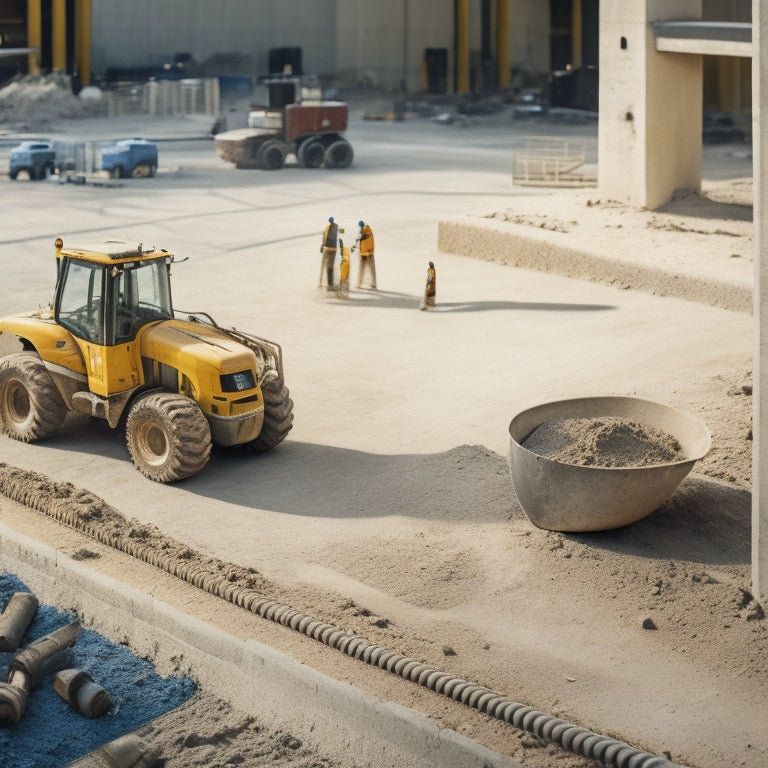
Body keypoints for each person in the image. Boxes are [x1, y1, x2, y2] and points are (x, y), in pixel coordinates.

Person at [319, 217, 343, 290]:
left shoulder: (331, 227)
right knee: (329, 267)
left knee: (329, 267)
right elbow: (325, 237)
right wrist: (323, 245)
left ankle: (330, 284)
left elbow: (326, 237)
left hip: (330, 249)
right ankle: (328, 283)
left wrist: (323, 245)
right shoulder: (331, 227)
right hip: (329, 249)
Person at [355, 220, 376, 290]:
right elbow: (360, 239)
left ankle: (373, 284)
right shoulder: (362, 230)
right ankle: (359, 283)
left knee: (371, 269)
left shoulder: (367, 229)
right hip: (363, 253)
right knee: (361, 269)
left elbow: (366, 237)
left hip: (369, 253)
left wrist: (360, 238)